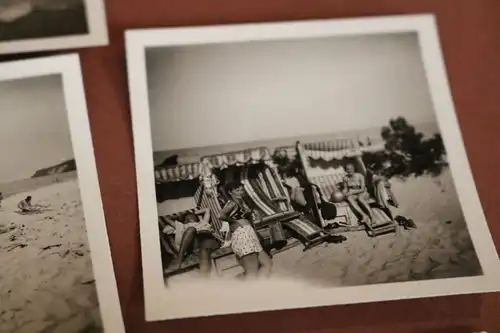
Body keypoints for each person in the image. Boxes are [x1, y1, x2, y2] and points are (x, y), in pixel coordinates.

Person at [219, 180, 273, 279]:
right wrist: (233, 221)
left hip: (249, 235)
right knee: (252, 272)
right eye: (237, 190)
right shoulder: (232, 203)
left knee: (267, 264)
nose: (241, 192)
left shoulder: (241, 203)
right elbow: (221, 215)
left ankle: (260, 288)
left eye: (241, 190)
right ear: (230, 192)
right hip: (243, 235)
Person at [163, 208, 219, 276]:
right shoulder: (182, 226)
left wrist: (194, 212)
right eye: (188, 217)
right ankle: (179, 260)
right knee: (191, 229)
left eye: (192, 216)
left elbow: (207, 209)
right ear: (185, 220)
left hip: (207, 239)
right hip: (194, 242)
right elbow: (166, 218)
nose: (190, 217)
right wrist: (181, 214)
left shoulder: (203, 222)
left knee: (204, 250)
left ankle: (204, 280)